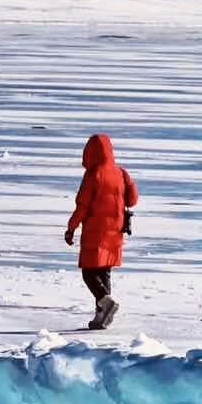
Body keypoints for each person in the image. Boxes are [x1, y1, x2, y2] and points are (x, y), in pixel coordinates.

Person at [64, 133, 139, 330]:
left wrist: (71, 228)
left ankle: (105, 303)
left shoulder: (93, 174)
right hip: (115, 230)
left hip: (95, 231)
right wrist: (129, 184)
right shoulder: (121, 173)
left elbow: (83, 206)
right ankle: (102, 316)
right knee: (104, 270)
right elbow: (132, 200)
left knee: (89, 273)